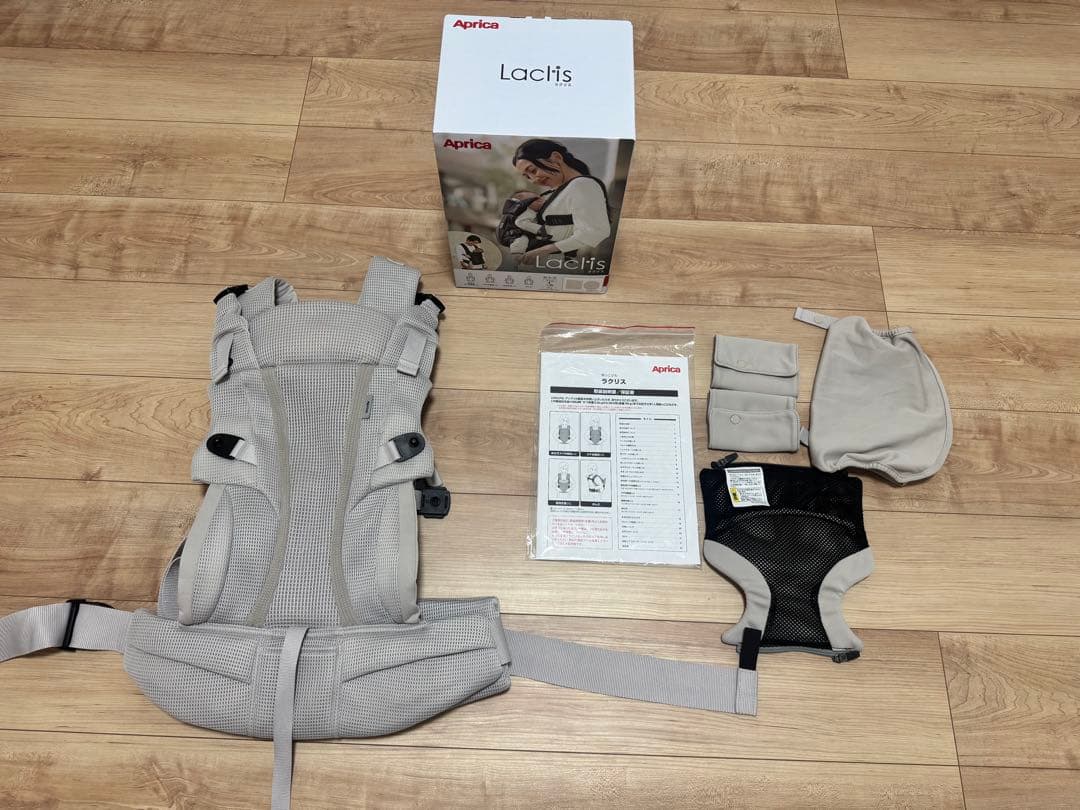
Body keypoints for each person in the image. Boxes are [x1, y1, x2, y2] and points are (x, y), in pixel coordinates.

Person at [511, 139, 611, 265]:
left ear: (556, 158)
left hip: (567, 263)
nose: (533, 180)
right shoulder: (558, 191)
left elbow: (595, 231)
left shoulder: (582, 185)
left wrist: (544, 250)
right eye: (527, 176)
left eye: (533, 170)